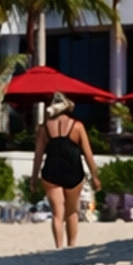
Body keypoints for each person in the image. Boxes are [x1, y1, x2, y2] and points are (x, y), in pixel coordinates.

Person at [30, 96, 100, 249]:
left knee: (57, 214)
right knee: (72, 212)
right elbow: (88, 153)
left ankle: (58, 247)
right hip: (73, 171)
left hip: (51, 171)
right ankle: (72, 246)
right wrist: (95, 176)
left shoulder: (44, 128)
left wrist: (34, 178)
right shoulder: (77, 126)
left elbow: (38, 156)